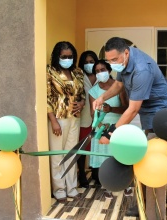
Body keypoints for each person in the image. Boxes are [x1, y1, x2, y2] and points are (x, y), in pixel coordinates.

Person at [92, 37, 167, 217]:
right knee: (145, 155)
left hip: (161, 113)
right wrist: (102, 98)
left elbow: (132, 109)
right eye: (109, 60)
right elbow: (119, 84)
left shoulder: (141, 70)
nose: (112, 64)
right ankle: (146, 201)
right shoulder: (124, 63)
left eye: (114, 60)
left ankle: (155, 204)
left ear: (126, 53)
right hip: (147, 111)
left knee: (155, 157)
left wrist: (110, 132)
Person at [47, 41, 85, 203]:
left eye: (70, 57)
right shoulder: (50, 72)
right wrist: (53, 121)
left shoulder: (77, 72)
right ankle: (59, 189)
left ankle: (72, 188)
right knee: (57, 155)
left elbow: (82, 94)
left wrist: (82, 103)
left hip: (75, 118)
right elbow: (47, 98)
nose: (67, 59)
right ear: (57, 56)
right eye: (64, 56)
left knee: (71, 154)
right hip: (59, 118)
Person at [88, 59, 131, 198]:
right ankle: (107, 186)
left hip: (118, 126)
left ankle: (125, 184)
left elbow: (126, 108)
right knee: (105, 159)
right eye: (97, 71)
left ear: (109, 70)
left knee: (121, 157)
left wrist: (111, 109)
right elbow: (92, 113)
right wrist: (101, 127)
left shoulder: (118, 87)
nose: (100, 73)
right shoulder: (93, 91)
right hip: (102, 128)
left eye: (103, 70)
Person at [77, 50, 99, 188]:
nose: (89, 64)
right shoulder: (79, 77)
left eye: (91, 62)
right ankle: (82, 175)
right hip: (83, 118)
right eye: (86, 62)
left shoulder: (101, 76)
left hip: (100, 118)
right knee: (83, 147)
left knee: (97, 147)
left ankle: (97, 174)